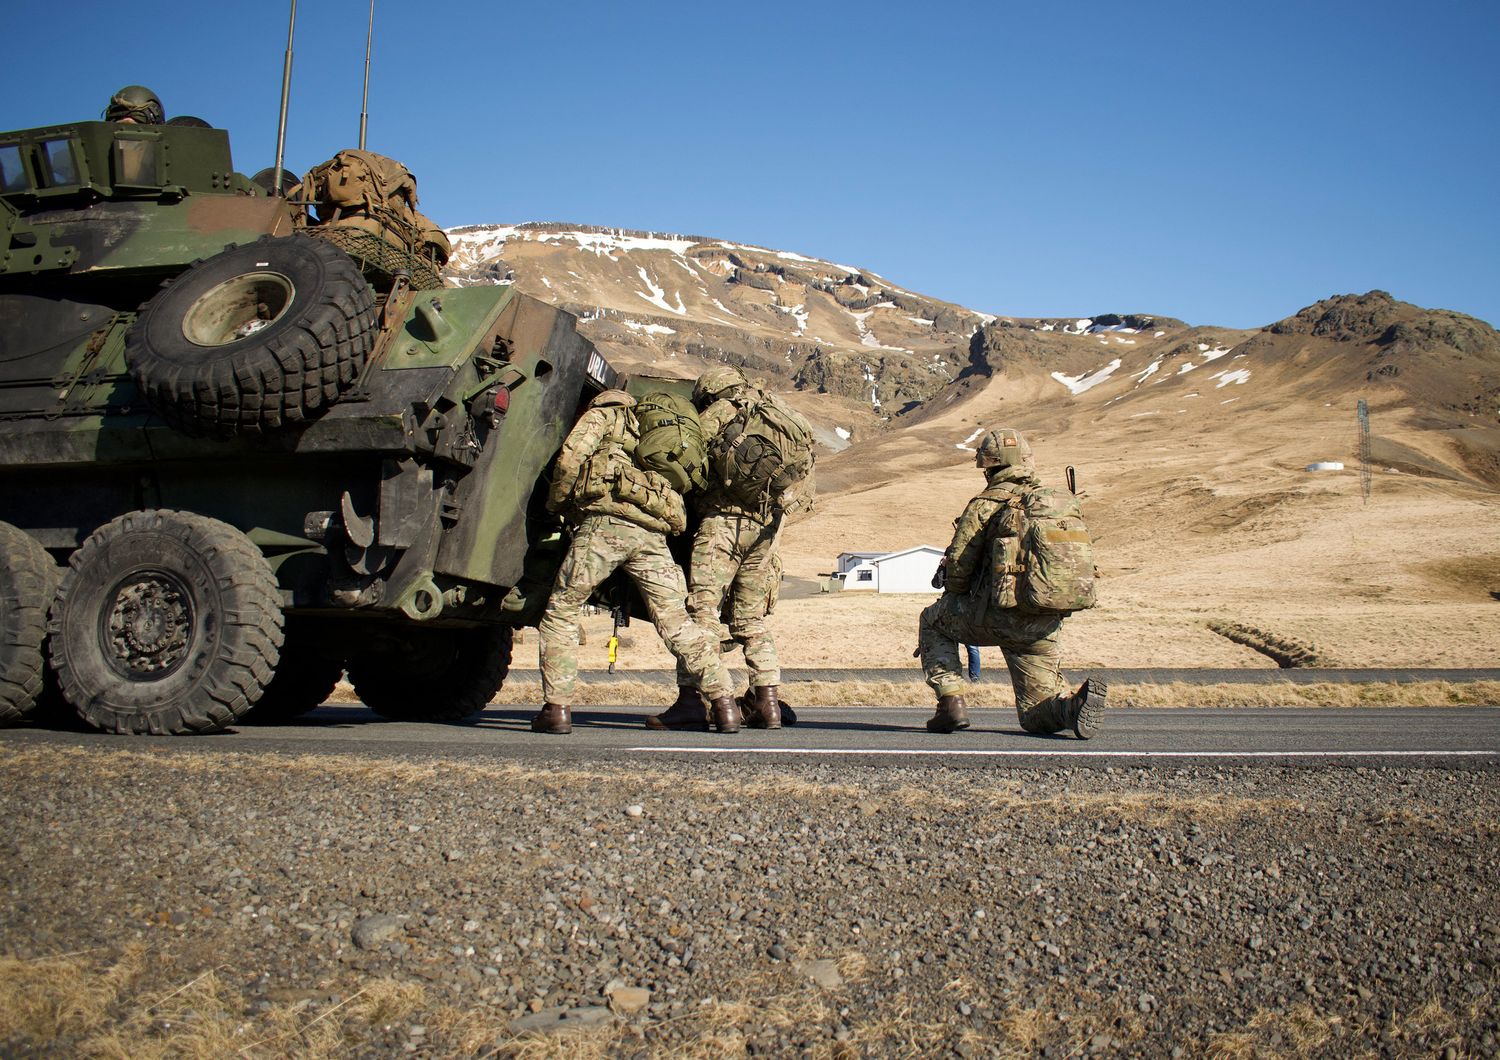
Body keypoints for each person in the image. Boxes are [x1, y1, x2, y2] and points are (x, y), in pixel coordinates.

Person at [533, 390, 737, 735]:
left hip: (605, 526)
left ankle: (556, 709)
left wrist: (556, 504)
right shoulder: (654, 431)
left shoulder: (607, 414)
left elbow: (570, 458)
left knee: (562, 610)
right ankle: (724, 703)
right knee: (678, 624)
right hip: (653, 533)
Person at [917, 427, 1106, 738]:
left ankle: (950, 703)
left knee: (932, 620)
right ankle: (1070, 708)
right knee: (1034, 713)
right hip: (1043, 620)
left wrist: (952, 583)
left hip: (995, 615)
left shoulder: (986, 504)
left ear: (990, 466)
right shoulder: (1052, 504)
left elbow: (960, 572)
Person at [647, 365, 802, 731]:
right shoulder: (776, 412)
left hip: (724, 525)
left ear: (711, 391)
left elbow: (689, 458)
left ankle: (695, 700)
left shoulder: (722, 411)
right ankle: (767, 703)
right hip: (768, 528)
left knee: (701, 612)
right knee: (750, 620)